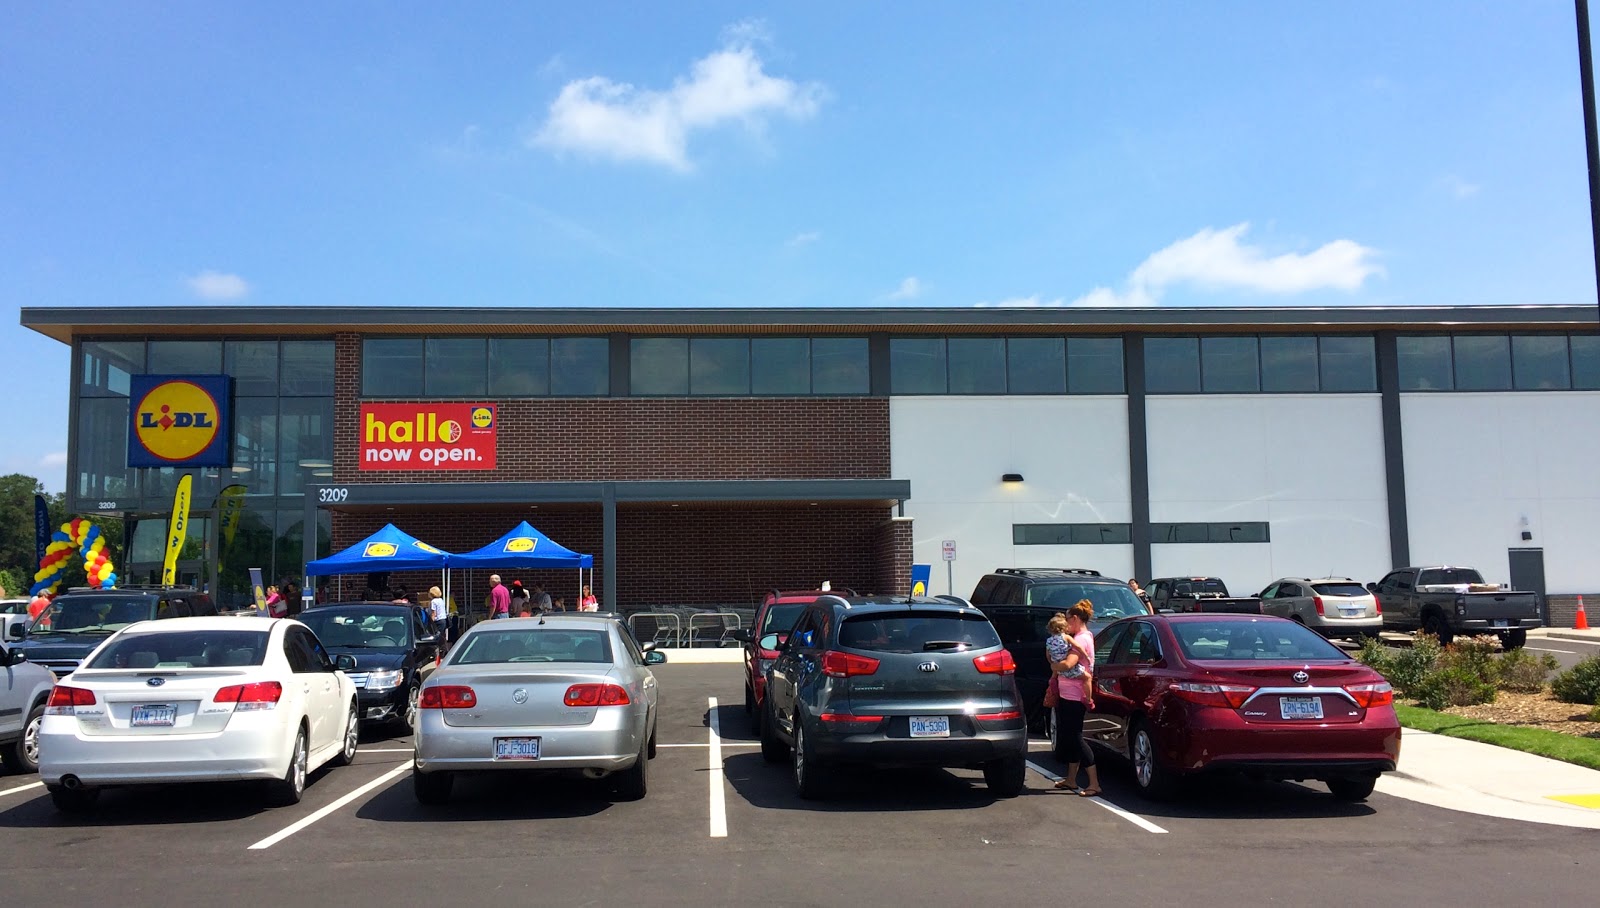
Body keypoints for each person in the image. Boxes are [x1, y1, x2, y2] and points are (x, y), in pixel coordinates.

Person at [1050, 600, 1101, 797]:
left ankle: (1094, 783)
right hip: (1068, 694)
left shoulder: (1082, 639)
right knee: (1070, 737)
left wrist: (1054, 666)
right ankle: (1071, 779)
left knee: (1076, 738)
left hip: (1074, 696)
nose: (1065, 623)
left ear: (1076, 619)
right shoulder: (1079, 636)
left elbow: (1068, 664)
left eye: (1068, 619)